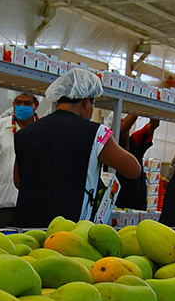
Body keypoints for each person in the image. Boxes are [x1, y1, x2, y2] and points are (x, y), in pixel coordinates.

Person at [13, 68, 141, 227]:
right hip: (69, 231)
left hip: (27, 228)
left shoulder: (25, 133)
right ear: (86, 101)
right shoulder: (96, 133)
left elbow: (19, 182)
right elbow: (134, 170)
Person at [0, 92, 39, 228]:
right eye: (18, 102)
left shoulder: (42, 130)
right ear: (13, 104)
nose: (22, 106)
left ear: (36, 105)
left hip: (33, 206)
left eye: (27, 103)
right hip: (1, 204)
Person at [113, 114, 159, 211]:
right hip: (119, 202)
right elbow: (121, 130)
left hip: (138, 201)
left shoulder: (135, 141)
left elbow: (154, 124)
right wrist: (135, 111)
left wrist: (154, 107)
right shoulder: (113, 144)